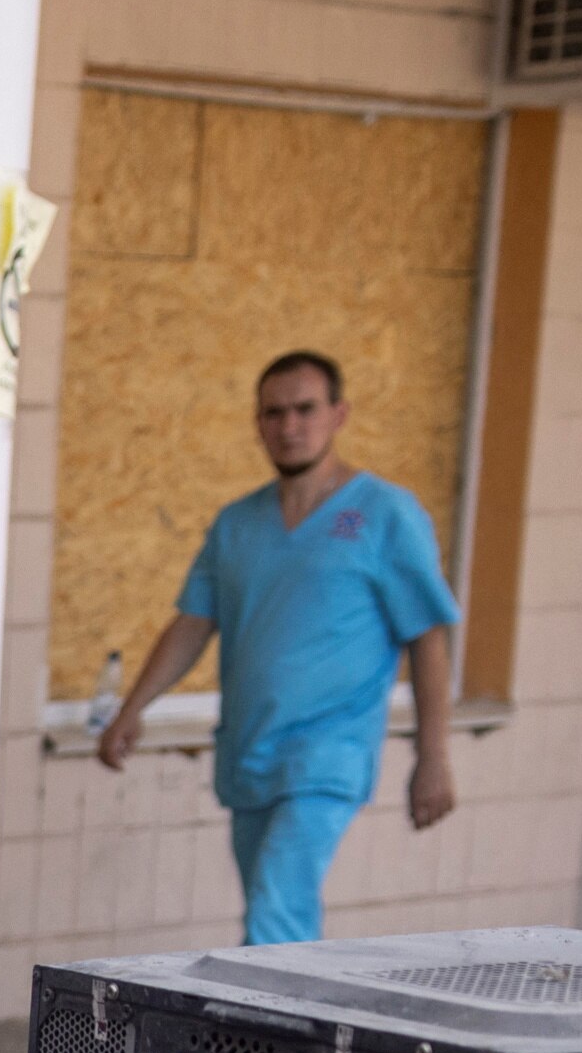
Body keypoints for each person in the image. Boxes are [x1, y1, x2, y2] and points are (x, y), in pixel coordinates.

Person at [94, 350, 460, 943]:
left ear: (339, 414)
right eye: (273, 413)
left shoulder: (384, 515)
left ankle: (252, 1036)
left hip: (329, 755)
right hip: (250, 750)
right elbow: (192, 622)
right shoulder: (237, 523)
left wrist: (434, 757)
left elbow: (428, 638)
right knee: (276, 917)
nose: (289, 427)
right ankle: (298, 1030)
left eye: (305, 410)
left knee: (275, 908)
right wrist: (132, 709)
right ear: (257, 423)